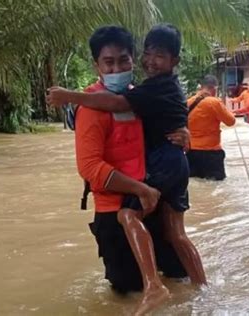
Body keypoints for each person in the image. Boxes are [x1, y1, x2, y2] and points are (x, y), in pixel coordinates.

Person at [48, 23, 207, 293]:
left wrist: (183, 134)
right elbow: (90, 168)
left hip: (153, 201)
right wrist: (139, 188)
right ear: (96, 65)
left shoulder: (139, 96)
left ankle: (203, 296)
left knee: (178, 279)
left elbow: (160, 130)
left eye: (123, 60)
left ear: (134, 59)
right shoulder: (90, 106)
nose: (116, 69)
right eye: (108, 63)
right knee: (129, 293)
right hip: (118, 209)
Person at [186, 75, 235, 180]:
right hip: (211, 153)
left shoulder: (188, 102)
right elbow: (231, 121)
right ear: (214, 88)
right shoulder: (214, 102)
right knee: (216, 186)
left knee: (194, 183)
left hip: (191, 152)